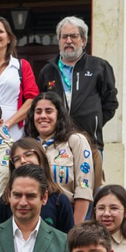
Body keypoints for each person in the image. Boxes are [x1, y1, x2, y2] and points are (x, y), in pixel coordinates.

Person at [37, 15, 118, 161]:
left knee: (90, 184)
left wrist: (93, 121)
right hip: (55, 144)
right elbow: (40, 105)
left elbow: (110, 103)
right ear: (59, 41)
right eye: (64, 37)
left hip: (90, 144)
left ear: (83, 40)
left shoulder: (99, 67)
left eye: (73, 36)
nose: (68, 41)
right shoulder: (48, 70)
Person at [24, 91, 94, 223]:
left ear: (59, 114)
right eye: (38, 112)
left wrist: (74, 227)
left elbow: (83, 188)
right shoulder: (26, 145)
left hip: (65, 214)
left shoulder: (75, 141)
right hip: (32, 216)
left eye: (49, 111)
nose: (43, 116)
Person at [0, 17, 38, 141]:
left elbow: (33, 99)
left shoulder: (22, 66)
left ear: (9, 38)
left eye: (0, 31)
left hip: (13, 127)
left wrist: (8, 123)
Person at [0, 139, 74, 234]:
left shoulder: (59, 201)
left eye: (28, 154)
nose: (23, 161)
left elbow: (67, 241)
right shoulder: (6, 200)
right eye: (16, 159)